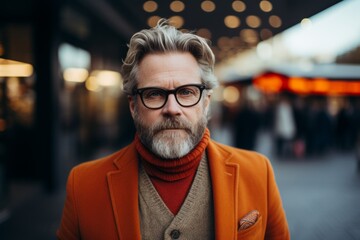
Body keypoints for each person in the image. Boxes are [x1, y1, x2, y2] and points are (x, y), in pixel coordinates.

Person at [57, 19, 290, 240]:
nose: (172, 108)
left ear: (206, 102)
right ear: (133, 106)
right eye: (154, 94)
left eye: (186, 92)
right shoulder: (84, 186)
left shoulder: (259, 173)